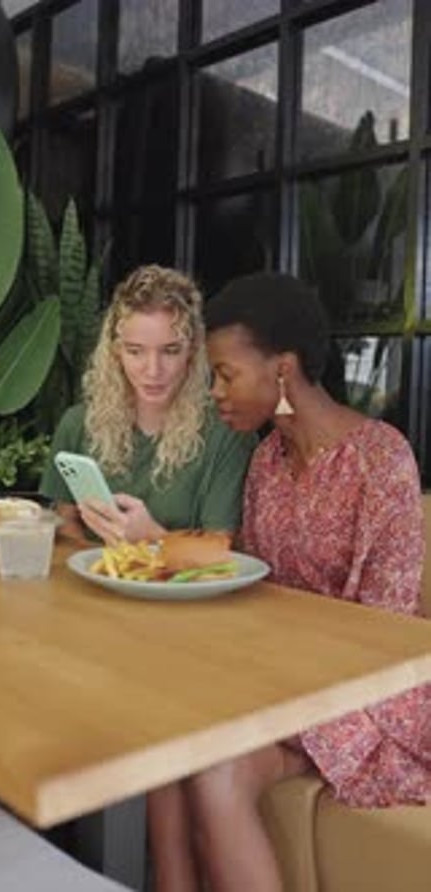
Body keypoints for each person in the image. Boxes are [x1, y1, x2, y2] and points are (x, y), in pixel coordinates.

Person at [147, 271, 430, 892]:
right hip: (284, 676)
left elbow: (382, 633)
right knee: (162, 730)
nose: (216, 392)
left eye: (225, 373)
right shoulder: (267, 463)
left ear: (283, 370)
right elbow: (257, 583)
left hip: (373, 692)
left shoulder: (382, 460)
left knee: (217, 771)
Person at [40, 264, 256, 543]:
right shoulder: (78, 424)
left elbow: (220, 548)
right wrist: (103, 567)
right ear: (116, 352)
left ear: (192, 351)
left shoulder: (227, 432)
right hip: (95, 583)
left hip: (179, 587)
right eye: (135, 351)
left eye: (170, 350)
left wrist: (151, 536)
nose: (153, 370)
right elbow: (64, 522)